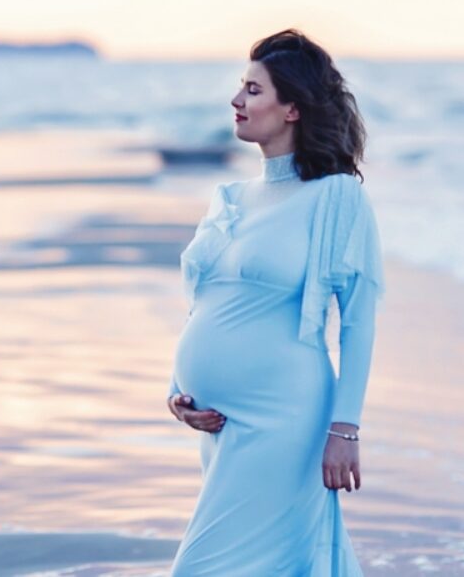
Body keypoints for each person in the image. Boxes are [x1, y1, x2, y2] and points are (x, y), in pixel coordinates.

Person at [165, 29, 385, 575]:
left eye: (253, 90)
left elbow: (357, 323)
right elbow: (208, 305)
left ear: (292, 109)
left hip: (286, 422)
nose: (237, 101)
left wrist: (344, 429)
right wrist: (178, 393)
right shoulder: (231, 199)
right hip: (220, 427)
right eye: (240, 88)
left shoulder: (336, 197)